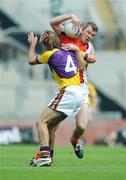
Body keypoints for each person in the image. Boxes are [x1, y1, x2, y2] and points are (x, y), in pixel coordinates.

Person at [27, 30, 89, 167]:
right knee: (50, 125)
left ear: (45, 45)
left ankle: (44, 156)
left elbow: (31, 60)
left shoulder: (49, 54)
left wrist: (32, 44)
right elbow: (85, 64)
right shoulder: (70, 50)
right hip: (79, 93)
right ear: (58, 41)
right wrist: (78, 50)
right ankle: (49, 156)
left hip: (68, 92)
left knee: (41, 122)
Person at [49, 14, 98, 159]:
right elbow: (53, 22)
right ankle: (48, 154)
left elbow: (83, 66)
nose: (90, 36)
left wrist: (76, 51)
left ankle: (75, 141)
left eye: (93, 35)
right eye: (88, 32)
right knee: (52, 124)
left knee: (82, 126)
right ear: (81, 29)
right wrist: (71, 16)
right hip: (65, 86)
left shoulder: (88, 47)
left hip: (81, 89)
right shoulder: (68, 36)